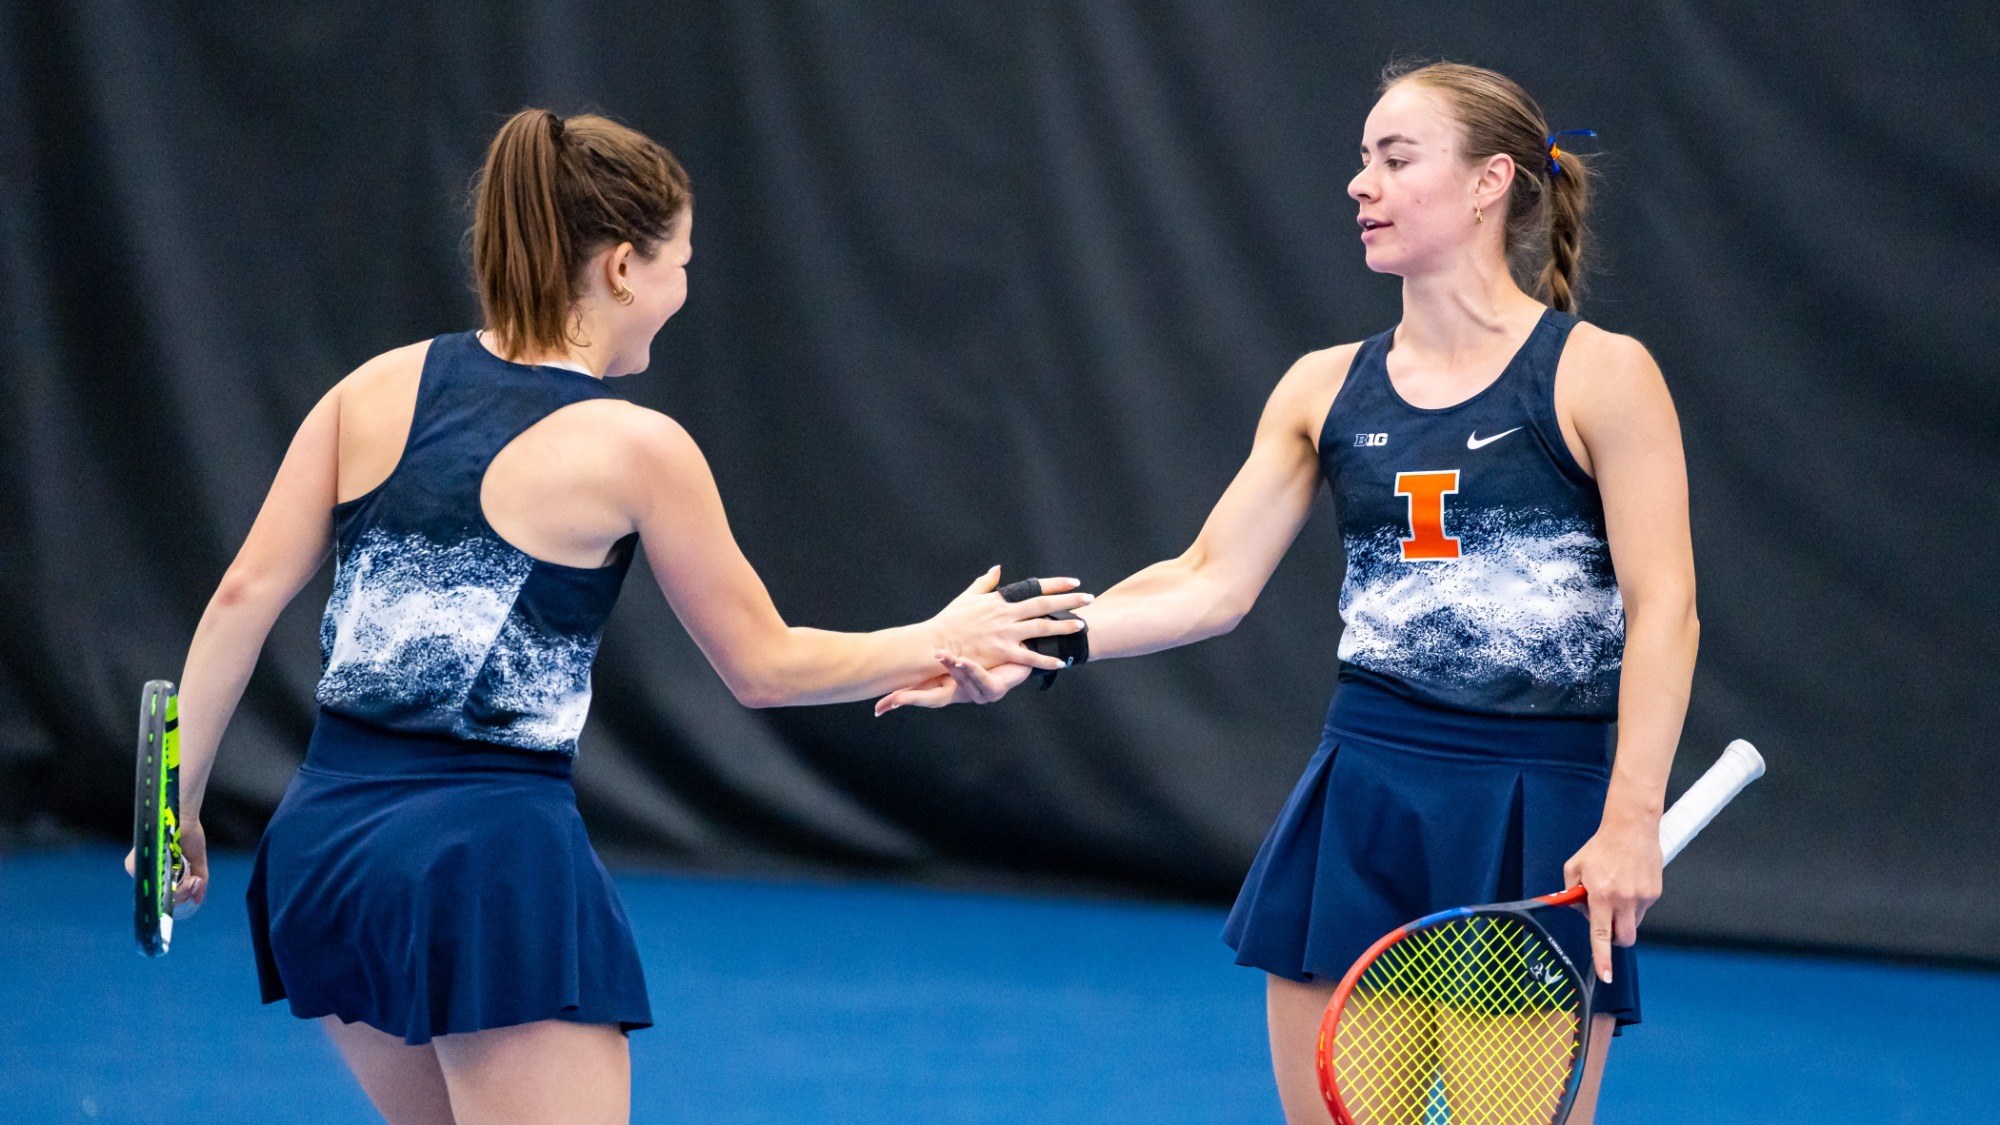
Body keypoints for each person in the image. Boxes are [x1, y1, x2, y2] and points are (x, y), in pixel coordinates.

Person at [128, 108, 1089, 1125]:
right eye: (681, 261)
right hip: (486, 864)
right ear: (624, 267)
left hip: (320, 853)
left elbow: (241, 596)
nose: (684, 288)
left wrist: (174, 811)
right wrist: (946, 637)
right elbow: (763, 665)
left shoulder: (368, 389)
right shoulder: (638, 449)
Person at [879, 61, 1698, 1125]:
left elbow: (1663, 606)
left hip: (1531, 817)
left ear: (1489, 181)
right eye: (1360, 158)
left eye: (1393, 158)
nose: (1359, 182)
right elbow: (1207, 579)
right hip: (1358, 805)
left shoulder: (1599, 375)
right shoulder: (1321, 386)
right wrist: (1035, 641)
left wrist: (1631, 811)